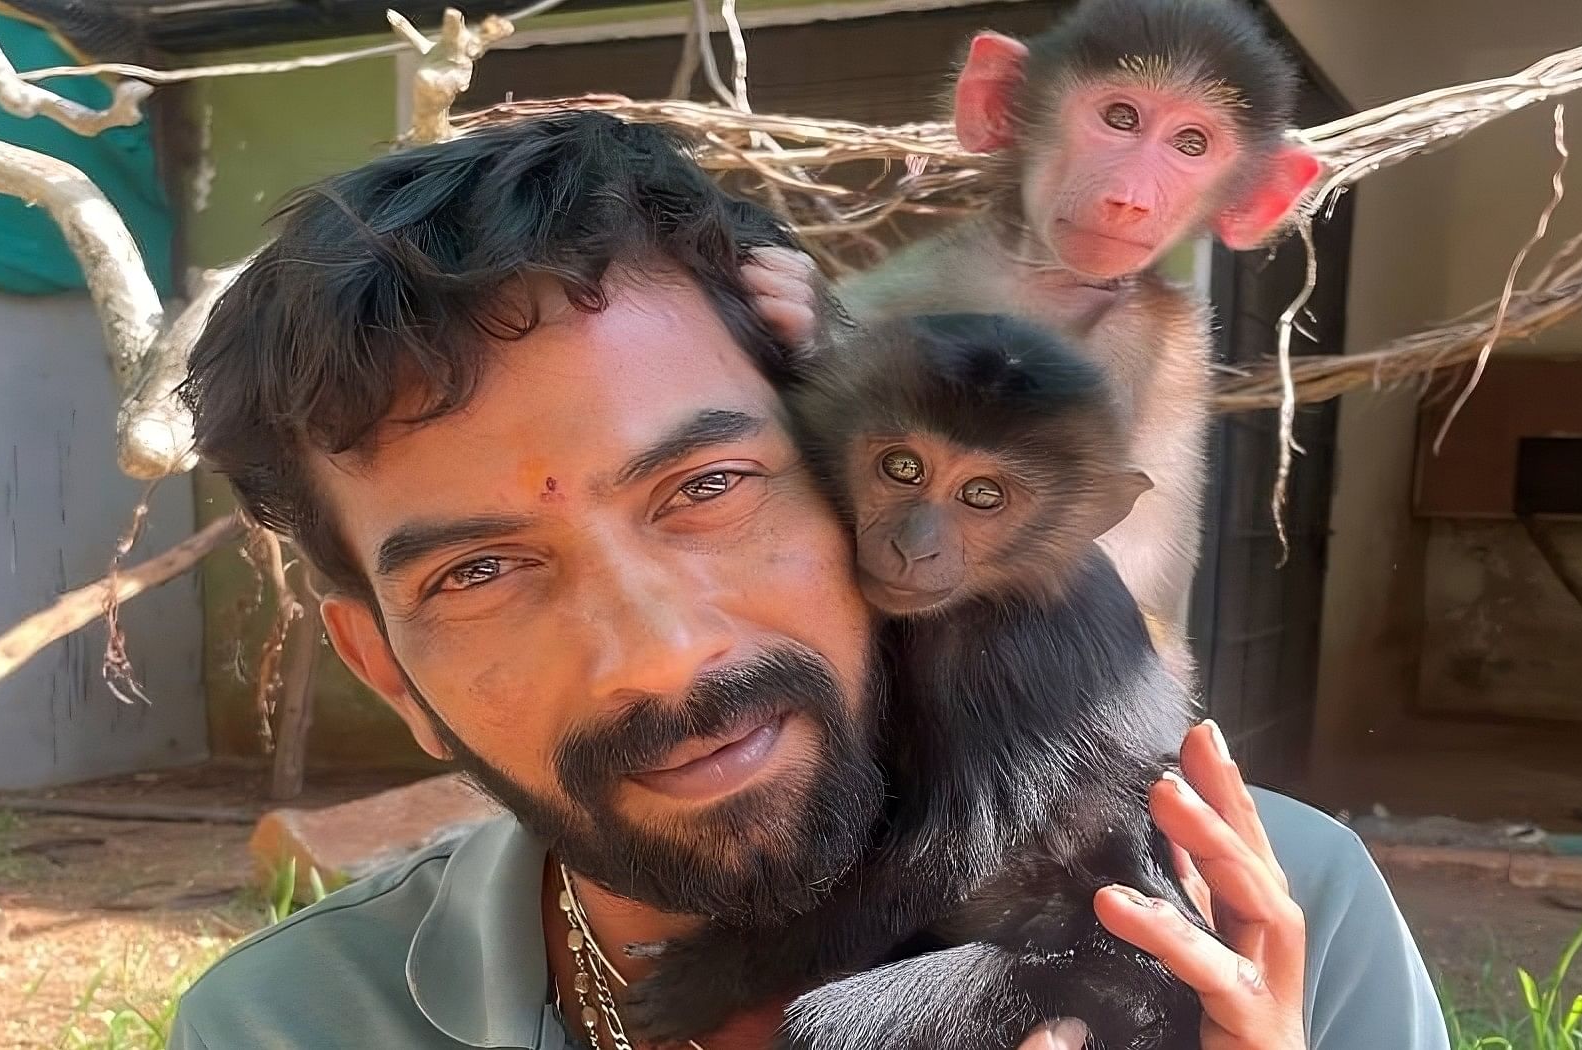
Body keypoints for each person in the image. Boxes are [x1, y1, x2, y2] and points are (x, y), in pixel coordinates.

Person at [168, 113, 1449, 1050]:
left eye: (710, 488)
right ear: (388, 666)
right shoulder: (287, 1027)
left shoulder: (1273, 913)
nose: (662, 653)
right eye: (484, 568)